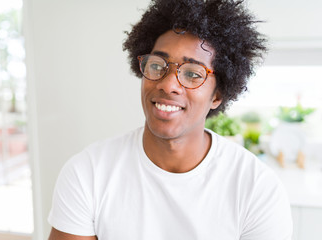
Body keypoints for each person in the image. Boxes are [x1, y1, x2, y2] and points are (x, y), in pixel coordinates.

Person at [48, 0, 293, 239]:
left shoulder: (257, 189)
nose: (167, 85)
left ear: (217, 95)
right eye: (157, 65)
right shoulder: (87, 173)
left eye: (192, 73)